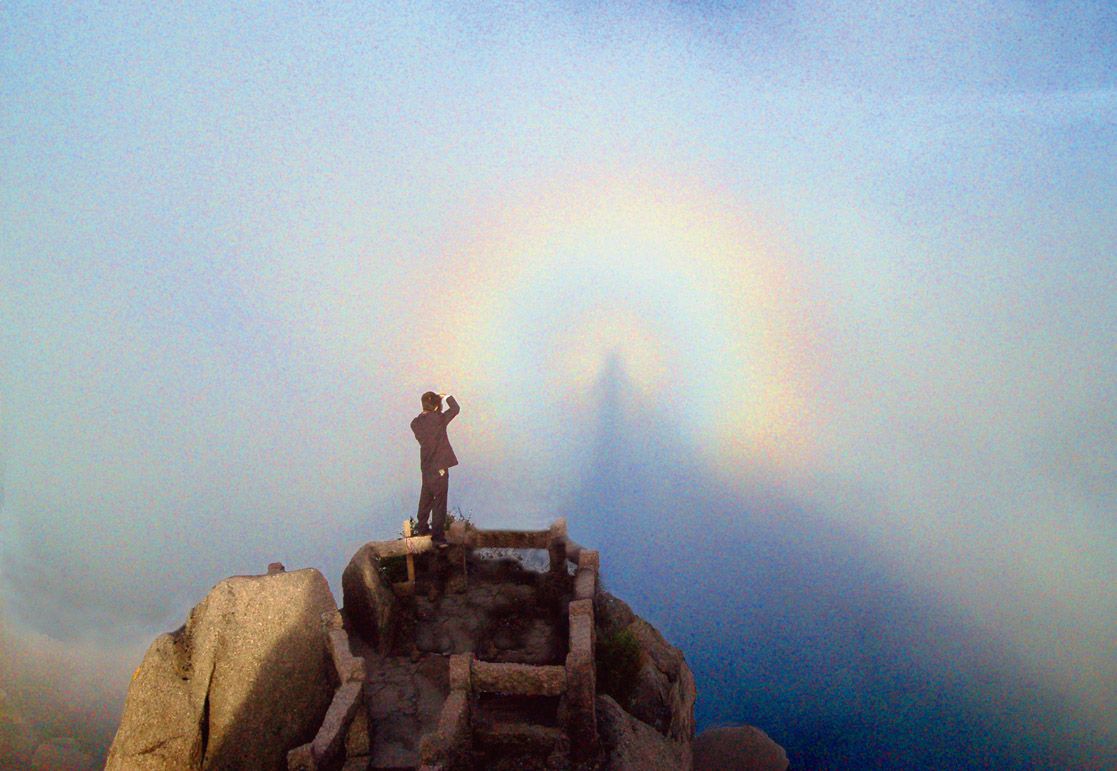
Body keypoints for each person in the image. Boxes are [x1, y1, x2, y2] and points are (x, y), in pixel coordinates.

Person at [410, 391, 459, 547]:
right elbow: (455, 409)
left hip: (426, 467)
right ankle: (438, 538)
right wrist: (447, 396)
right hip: (440, 468)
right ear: (437, 406)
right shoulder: (438, 419)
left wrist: (436, 404)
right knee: (439, 501)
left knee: (426, 496)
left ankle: (422, 528)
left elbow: (426, 419)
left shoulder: (415, 423)